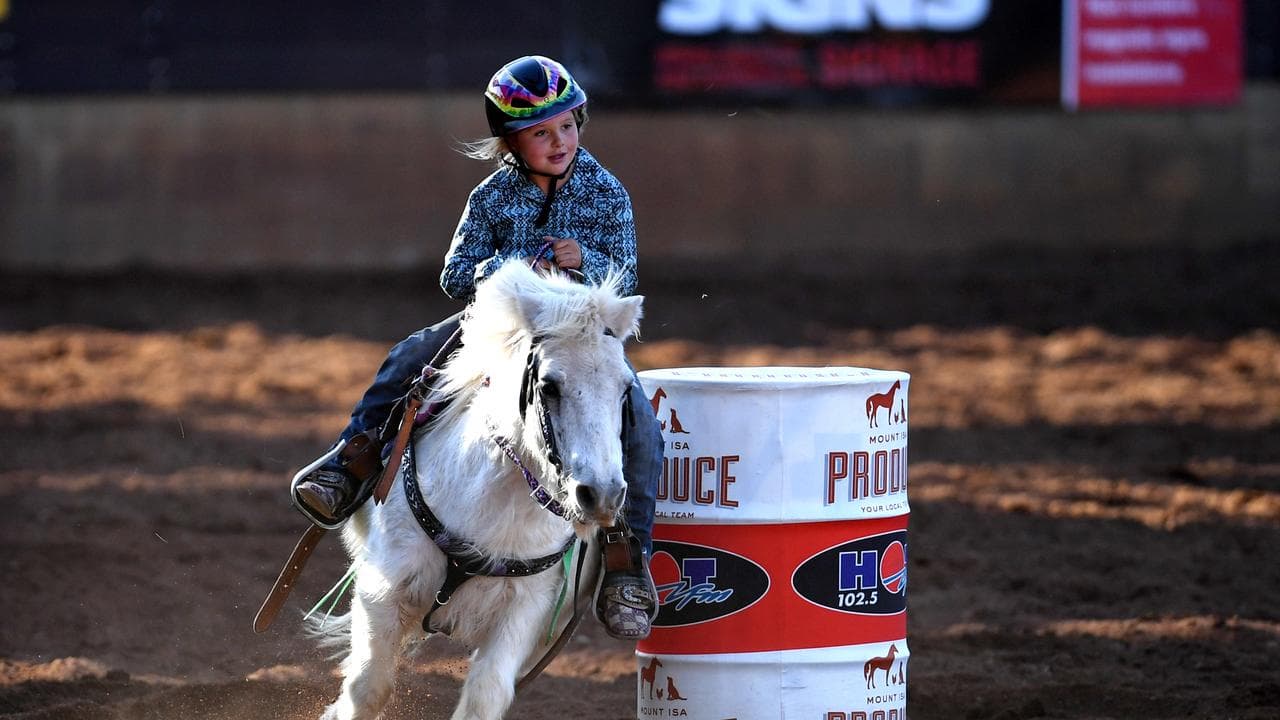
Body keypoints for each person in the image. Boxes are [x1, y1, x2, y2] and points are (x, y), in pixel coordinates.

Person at [291, 55, 661, 640]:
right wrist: (511, 268)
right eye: (540, 133)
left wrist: (585, 263)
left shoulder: (608, 193)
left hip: (581, 340)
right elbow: (456, 273)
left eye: (566, 125)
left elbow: (627, 273)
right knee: (411, 355)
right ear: (510, 142)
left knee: (638, 420)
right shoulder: (490, 195)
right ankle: (352, 459)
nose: (558, 140)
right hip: (496, 329)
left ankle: (626, 559)